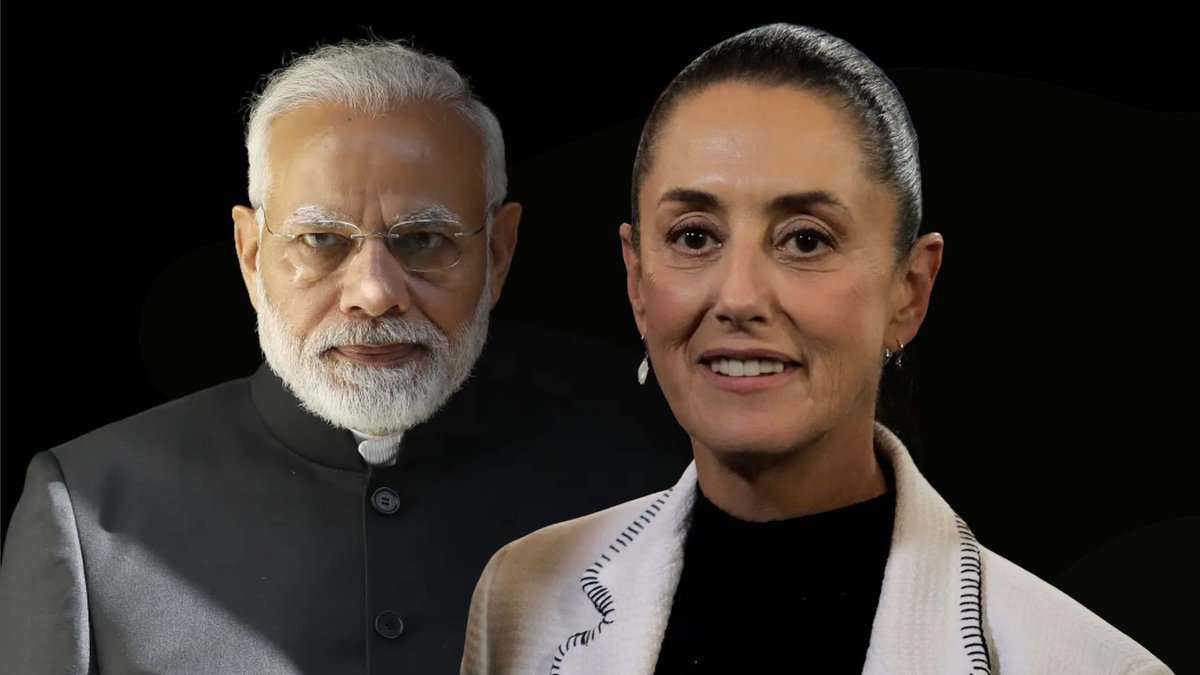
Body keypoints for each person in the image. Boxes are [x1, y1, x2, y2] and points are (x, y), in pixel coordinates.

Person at [461, 24, 1173, 675]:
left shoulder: (1087, 664)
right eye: (694, 236)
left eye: (805, 238)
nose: (738, 296)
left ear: (910, 289)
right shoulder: (520, 603)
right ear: (636, 280)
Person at [0, 39, 684, 674]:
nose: (373, 293)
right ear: (249, 252)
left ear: (498, 253)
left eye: (423, 239)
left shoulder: (644, 489)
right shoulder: (87, 511)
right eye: (321, 239)